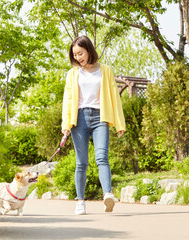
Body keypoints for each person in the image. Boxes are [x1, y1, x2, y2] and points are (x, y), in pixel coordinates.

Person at [61, 36, 125, 215]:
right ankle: (80, 201)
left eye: (80, 53)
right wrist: (66, 124)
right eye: (75, 55)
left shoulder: (105, 70)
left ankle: (107, 195)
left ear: (89, 50)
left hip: (100, 117)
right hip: (78, 119)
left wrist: (119, 123)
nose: (78, 57)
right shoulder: (73, 73)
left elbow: (114, 97)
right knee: (81, 163)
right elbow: (67, 100)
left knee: (102, 158)